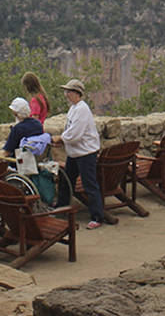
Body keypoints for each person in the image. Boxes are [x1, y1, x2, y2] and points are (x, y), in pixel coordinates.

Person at [51, 79, 106, 230]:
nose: (66, 94)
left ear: (76, 93)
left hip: (85, 153)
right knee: (66, 179)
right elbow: (70, 130)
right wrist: (63, 140)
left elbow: (76, 133)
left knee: (89, 184)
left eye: (68, 92)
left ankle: (97, 216)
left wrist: (61, 139)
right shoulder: (74, 108)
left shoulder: (82, 109)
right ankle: (62, 205)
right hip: (75, 153)